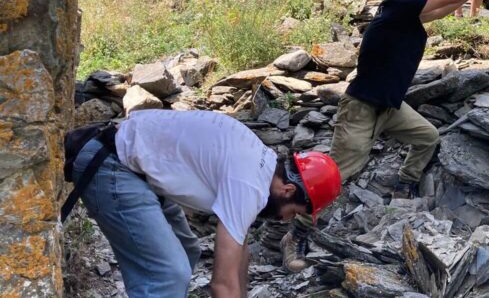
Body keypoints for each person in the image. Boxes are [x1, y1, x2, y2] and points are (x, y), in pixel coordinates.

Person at [281, 0, 489, 272]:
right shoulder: (398, 8)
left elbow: (446, 5)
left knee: (427, 137)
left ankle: (403, 186)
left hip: (389, 106)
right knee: (334, 176)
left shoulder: (404, 16)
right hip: (361, 107)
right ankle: (295, 234)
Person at [69, 109, 342, 297]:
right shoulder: (249, 184)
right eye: (293, 212)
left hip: (135, 165)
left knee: (188, 252)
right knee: (168, 274)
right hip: (111, 164)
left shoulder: (260, 164)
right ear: (288, 190)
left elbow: (240, 253)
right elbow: (221, 285)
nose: (285, 220)